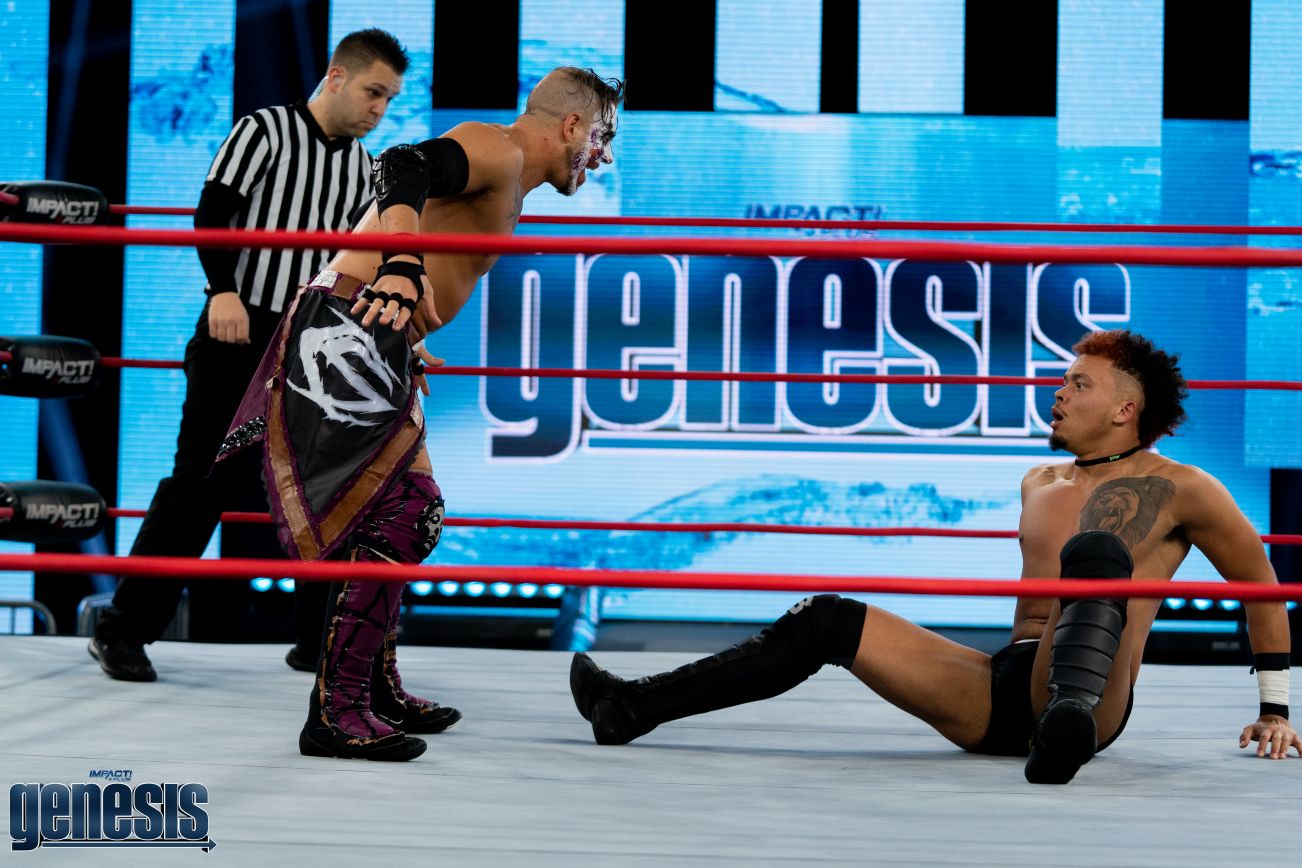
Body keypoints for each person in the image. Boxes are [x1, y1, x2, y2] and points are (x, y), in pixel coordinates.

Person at [571, 329, 1300, 784]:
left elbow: (1259, 584)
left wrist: (1275, 709)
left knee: (1098, 552)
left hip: (1090, 700)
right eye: (1062, 379)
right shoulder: (1040, 480)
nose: (1058, 392)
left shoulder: (1184, 487)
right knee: (827, 619)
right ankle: (629, 707)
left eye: (1078, 384)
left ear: (1124, 409)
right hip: (1001, 684)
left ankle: (1062, 736)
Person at [216, 66, 624, 760]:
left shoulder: (510, 174)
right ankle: (338, 710)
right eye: (603, 138)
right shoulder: (499, 149)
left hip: (372, 330)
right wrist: (402, 267)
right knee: (409, 510)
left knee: (397, 513)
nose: (603, 157)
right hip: (347, 327)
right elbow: (401, 164)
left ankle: (371, 688)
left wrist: (404, 336)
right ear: (572, 125)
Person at [89, 29, 409, 682]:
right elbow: (212, 213)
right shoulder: (263, 131)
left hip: (309, 340)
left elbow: (356, 263)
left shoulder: (362, 167)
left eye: (389, 100)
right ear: (337, 77)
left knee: (326, 486)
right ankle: (122, 629)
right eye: (373, 92)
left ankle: (317, 642)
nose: (379, 109)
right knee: (201, 481)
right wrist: (223, 291)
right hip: (238, 327)